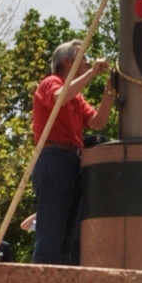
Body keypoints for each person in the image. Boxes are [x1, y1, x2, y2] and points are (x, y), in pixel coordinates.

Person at [30, 39, 116, 265]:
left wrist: (109, 92)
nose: (88, 63)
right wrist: (93, 74)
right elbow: (60, 97)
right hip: (54, 160)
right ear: (68, 61)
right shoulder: (51, 82)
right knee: (51, 233)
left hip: (72, 161)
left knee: (68, 238)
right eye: (83, 58)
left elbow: (98, 122)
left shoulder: (76, 97)